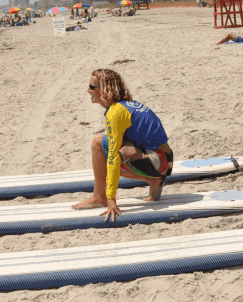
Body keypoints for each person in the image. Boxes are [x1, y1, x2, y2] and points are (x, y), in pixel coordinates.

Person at [71, 69, 173, 221]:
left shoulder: (116, 112)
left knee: (98, 143)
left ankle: (100, 197)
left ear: (105, 89)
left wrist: (111, 199)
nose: (88, 91)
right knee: (113, 150)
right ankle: (153, 180)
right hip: (164, 161)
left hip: (158, 161)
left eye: (92, 87)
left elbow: (113, 156)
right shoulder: (126, 105)